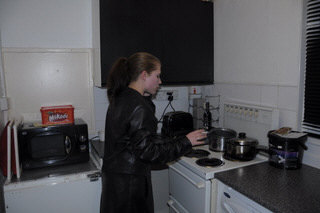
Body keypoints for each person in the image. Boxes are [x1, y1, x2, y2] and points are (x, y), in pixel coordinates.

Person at [100, 52, 206, 213]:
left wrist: (174, 141)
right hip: (130, 187)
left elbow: (139, 140)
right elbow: (149, 153)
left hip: (116, 183)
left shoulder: (121, 97)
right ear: (144, 75)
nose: (160, 81)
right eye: (157, 76)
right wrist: (186, 142)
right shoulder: (139, 106)